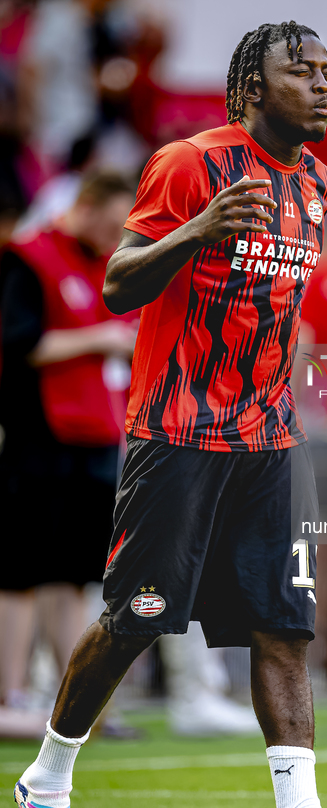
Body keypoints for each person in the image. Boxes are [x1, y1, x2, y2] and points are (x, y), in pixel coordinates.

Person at [14, 21, 327, 808]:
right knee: (137, 615)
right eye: (302, 71)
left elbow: (278, 304)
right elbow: (119, 283)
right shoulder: (190, 163)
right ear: (253, 88)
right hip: (178, 429)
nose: (322, 85)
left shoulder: (320, 183)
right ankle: (46, 782)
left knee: (284, 626)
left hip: (269, 436)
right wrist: (198, 231)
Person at [0, 171, 136, 721]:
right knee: (18, 571)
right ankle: (9, 698)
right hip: (39, 437)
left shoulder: (101, 264)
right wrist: (98, 339)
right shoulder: (29, 257)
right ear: (89, 204)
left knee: (72, 576)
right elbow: (18, 342)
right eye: (115, 217)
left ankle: (73, 705)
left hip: (95, 439)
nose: (121, 232)